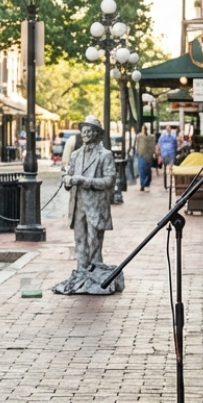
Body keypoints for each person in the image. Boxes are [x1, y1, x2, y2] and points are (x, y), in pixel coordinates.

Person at [52, 115, 121, 295]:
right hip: (78, 204)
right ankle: (82, 274)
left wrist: (84, 181)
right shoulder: (75, 155)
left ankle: (95, 277)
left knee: (94, 241)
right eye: (83, 130)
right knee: (80, 241)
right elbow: (67, 174)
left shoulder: (105, 155)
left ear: (97, 134)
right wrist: (67, 180)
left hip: (96, 205)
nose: (86, 133)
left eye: (89, 130)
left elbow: (109, 181)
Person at [132, 125, 156, 191]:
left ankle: (145, 183)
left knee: (147, 171)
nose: (144, 130)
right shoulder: (139, 136)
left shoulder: (149, 137)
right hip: (141, 155)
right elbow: (135, 145)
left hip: (147, 156)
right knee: (142, 171)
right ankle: (143, 184)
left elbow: (152, 146)